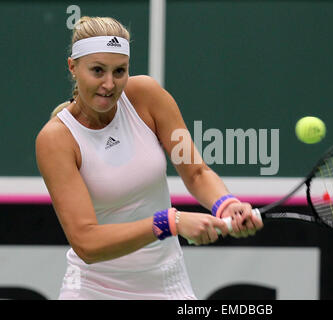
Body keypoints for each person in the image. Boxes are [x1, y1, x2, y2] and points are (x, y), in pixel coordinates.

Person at [35, 16, 263, 300]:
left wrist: (226, 204)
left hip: (168, 284)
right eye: (97, 71)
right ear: (73, 67)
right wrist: (170, 222)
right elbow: (87, 243)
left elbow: (196, 172)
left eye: (119, 71)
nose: (109, 84)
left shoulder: (146, 96)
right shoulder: (56, 139)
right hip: (93, 290)